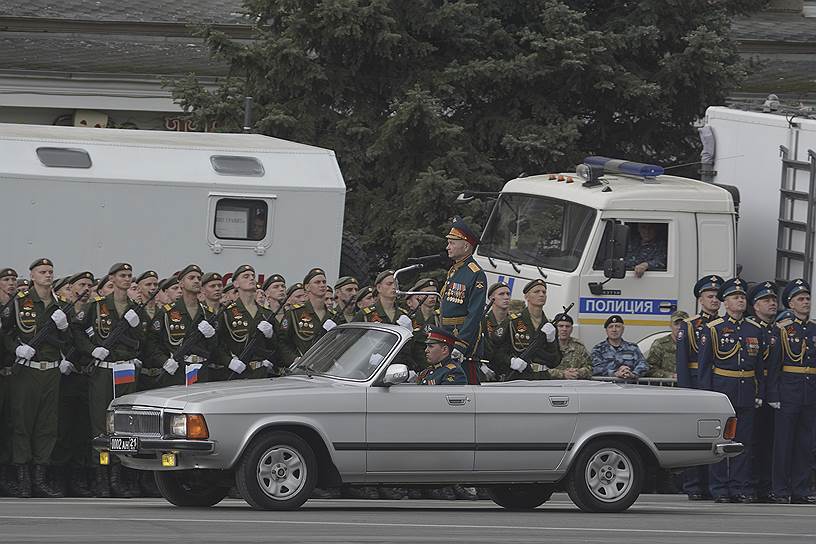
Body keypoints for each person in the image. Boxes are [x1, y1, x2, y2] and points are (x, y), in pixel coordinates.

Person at [73, 262, 145, 498]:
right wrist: (92, 350)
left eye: (129, 276)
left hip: (125, 370)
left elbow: (142, 341)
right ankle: (101, 476)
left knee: (124, 424)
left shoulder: (136, 309)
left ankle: (119, 476)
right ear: (112, 279)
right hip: (104, 370)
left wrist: (136, 328)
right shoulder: (97, 307)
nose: (127, 279)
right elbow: (77, 331)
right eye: (122, 275)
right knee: (101, 425)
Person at [2, 258, 70, 498]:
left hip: (51, 370)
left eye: (51, 272)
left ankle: (40, 478)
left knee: (47, 426)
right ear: (32, 276)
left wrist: (63, 328)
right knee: (22, 424)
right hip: (27, 370)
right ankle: (23, 479)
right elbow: (5, 332)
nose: (48, 275)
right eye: (43, 272)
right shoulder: (19, 302)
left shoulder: (60, 305)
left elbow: (69, 339)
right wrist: (15, 349)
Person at [698, 278, 768, 503]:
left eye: (742, 297)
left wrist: (759, 393)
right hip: (722, 389)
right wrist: (708, 395)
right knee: (721, 443)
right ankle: (720, 488)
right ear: (725, 303)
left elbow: (759, 367)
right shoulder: (713, 328)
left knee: (744, 443)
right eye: (735, 297)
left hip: (746, 390)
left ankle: (741, 487)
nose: (740, 300)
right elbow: (705, 366)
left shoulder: (754, 329)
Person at [766, 279, 816, 504]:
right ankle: (780, 489)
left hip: (809, 392)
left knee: (805, 445)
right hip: (788, 392)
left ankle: (801, 489)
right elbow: (774, 367)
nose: (805, 303)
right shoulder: (782, 330)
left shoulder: (814, 329)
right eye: (800, 299)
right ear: (790, 304)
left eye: (807, 299)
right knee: (784, 445)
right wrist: (774, 395)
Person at [676, 274, 722, 501]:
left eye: (717, 296)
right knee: (694, 435)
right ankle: (694, 484)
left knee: (716, 436)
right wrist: (686, 392)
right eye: (710, 296)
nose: (715, 300)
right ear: (700, 299)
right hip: (694, 383)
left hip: (718, 382)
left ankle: (714, 484)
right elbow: (683, 362)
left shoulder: (725, 325)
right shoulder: (690, 325)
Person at [51, 271, 96, 498]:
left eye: (89, 284)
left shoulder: (93, 312)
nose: (85, 288)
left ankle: (79, 476)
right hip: (66, 377)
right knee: (64, 428)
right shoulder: (64, 312)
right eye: (80, 284)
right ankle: (59, 476)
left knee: (83, 430)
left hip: (86, 376)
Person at [147, 265, 218, 388]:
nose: (196, 281)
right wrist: (164, 361)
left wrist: (212, 336)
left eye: (198, 278)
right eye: (191, 278)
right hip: (176, 369)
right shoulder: (167, 312)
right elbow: (152, 342)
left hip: (201, 370)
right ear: (181, 283)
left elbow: (215, 347)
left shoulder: (208, 313)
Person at [215, 265, 285, 380]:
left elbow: (277, 345)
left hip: (261, 373)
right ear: (236, 284)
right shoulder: (227, 313)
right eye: (246, 276)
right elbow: (217, 344)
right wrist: (228, 361)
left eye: (253, 276)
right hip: (236, 373)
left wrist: (270, 335)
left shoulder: (266, 314)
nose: (251, 278)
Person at [747, 281, 778, 503]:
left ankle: (766, 486)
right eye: (766, 300)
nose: (772, 304)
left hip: (775, 391)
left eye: (774, 300)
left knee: (770, 442)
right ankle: (750, 485)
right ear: (755, 306)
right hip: (753, 390)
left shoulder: (779, 330)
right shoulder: (749, 329)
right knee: (751, 441)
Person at [492, 279, 560, 381]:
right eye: (536, 292)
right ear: (526, 297)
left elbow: (555, 361)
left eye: (544, 292)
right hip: (519, 377)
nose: (541, 295)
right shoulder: (513, 322)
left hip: (543, 378)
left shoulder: (549, 326)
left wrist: (551, 342)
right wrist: (510, 361)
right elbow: (495, 350)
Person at [440, 218, 487, 360]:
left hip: (461, 337)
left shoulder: (475, 273)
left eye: (452, 243)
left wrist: (461, 344)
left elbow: (475, 313)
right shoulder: (455, 270)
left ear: (466, 247)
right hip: (448, 334)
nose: (448, 247)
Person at [279, 268, 337, 365]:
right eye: (317, 282)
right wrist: (294, 359)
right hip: (301, 367)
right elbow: (282, 342)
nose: (322, 285)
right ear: (307, 287)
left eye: (324, 282)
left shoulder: (333, 317)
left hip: (325, 369)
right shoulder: (295, 313)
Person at [0, 267, 18, 496]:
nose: (12, 283)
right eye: (6, 279)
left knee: (11, 425)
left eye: (14, 279)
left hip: (13, 374)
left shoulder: (18, 309)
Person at [407, 278, 441, 372]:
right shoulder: (410, 319)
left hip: (437, 368)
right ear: (418, 296)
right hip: (414, 368)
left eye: (434, 292)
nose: (432, 296)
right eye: (427, 292)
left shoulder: (440, 318)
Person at [548, 312, 592, 380]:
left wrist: (579, 372)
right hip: (551, 386)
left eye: (567, 326)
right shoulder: (547, 345)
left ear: (571, 329)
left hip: (573, 387)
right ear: (555, 328)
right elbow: (538, 369)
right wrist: (562, 374)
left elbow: (590, 368)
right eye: (560, 326)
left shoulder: (579, 346)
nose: (564, 329)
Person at [646, 310, 688, 379]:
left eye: (683, 324)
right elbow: (650, 369)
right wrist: (670, 376)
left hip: (687, 387)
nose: (679, 327)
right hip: (666, 387)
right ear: (670, 325)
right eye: (676, 324)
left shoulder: (693, 345)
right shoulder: (660, 344)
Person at [482, 282, 511, 381]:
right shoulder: (483, 321)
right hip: (488, 375)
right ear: (491, 299)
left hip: (509, 374)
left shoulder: (515, 322)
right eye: (501, 294)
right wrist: (481, 366)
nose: (506, 297)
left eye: (508, 294)